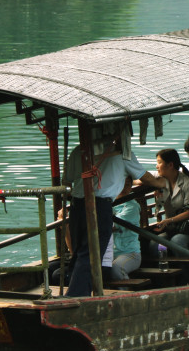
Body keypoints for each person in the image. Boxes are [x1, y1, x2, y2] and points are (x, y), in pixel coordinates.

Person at [62, 124, 166, 297]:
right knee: (91, 254)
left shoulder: (79, 150)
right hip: (99, 206)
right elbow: (145, 177)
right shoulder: (122, 153)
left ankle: (76, 293)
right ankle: (77, 296)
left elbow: (68, 179)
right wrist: (163, 183)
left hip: (77, 205)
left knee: (80, 251)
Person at [151, 148, 189, 251]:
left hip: (187, 229)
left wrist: (168, 220)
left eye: (159, 162)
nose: (156, 166)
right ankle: (165, 266)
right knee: (155, 244)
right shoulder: (161, 178)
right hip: (170, 229)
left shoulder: (187, 183)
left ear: (170, 165)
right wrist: (155, 185)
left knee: (177, 241)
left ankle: (186, 267)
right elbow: (139, 178)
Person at [110, 198, 142, 280]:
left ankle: (126, 292)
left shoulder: (132, 206)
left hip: (130, 253)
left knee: (116, 268)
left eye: (128, 184)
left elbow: (111, 226)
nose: (125, 187)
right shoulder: (109, 202)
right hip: (111, 253)